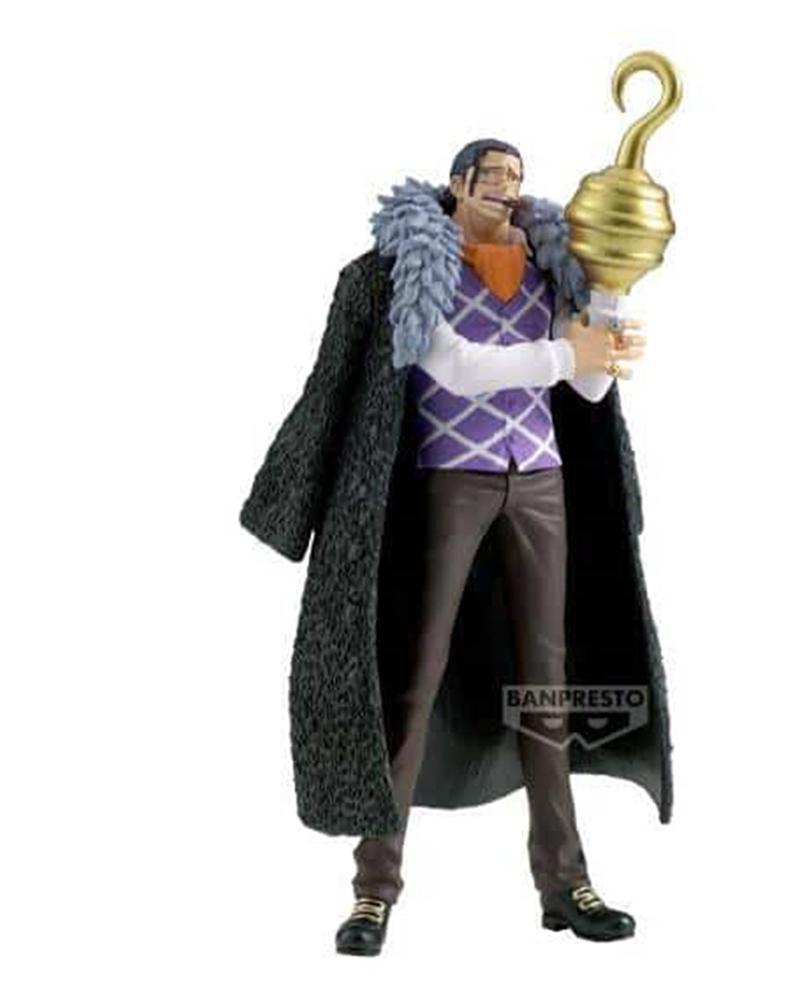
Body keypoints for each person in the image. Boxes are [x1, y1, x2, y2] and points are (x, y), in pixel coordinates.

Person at [239, 138, 674, 958]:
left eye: (517, 177)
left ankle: (564, 880)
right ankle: (374, 888)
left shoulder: (546, 270)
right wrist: (565, 354)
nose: (508, 189)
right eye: (494, 176)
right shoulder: (418, 270)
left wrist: (611, 291)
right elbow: (458, 368)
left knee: (547, 688)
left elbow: (587, 386)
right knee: (415, 676)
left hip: (538, 483)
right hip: (453, 481)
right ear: (459, 184)